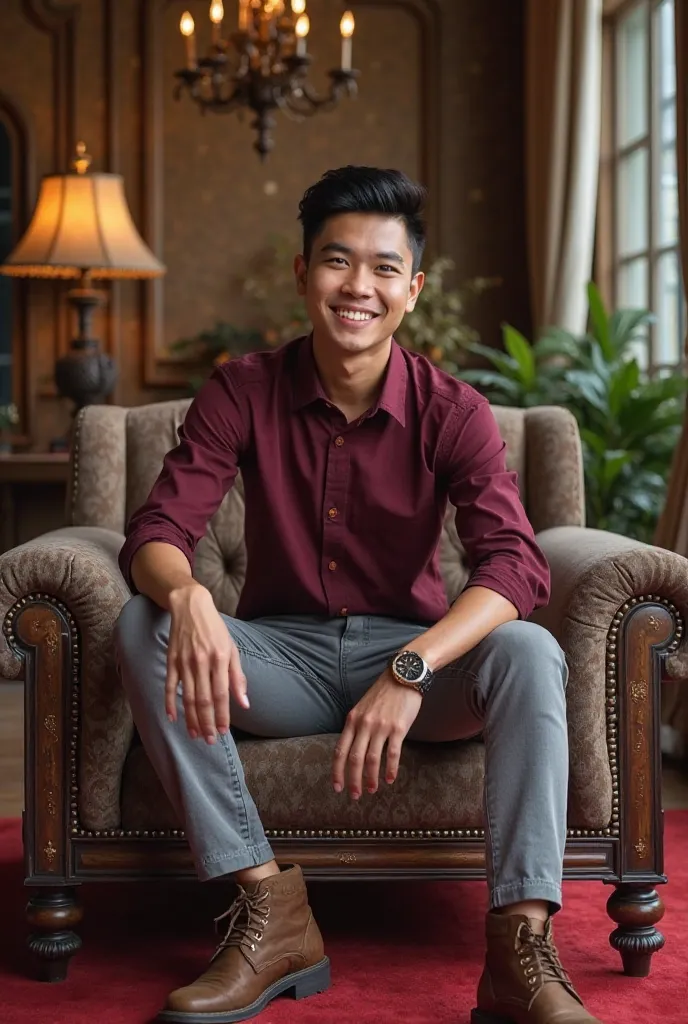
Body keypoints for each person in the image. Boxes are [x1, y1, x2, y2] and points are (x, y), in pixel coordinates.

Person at [114, 165, 602, 1024]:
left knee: (530, 648)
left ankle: (519, 949)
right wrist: (189, 597)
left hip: (417, 663)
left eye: (383, 268)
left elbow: (516, 569)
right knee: (142, 621)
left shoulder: (455, 411)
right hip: (279, 661)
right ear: (304, 275)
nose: (358, 287)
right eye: (338, 262)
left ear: (411, 290)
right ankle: (271, 912)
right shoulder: (243, 391)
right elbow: (156, 533)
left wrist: (413, 666)